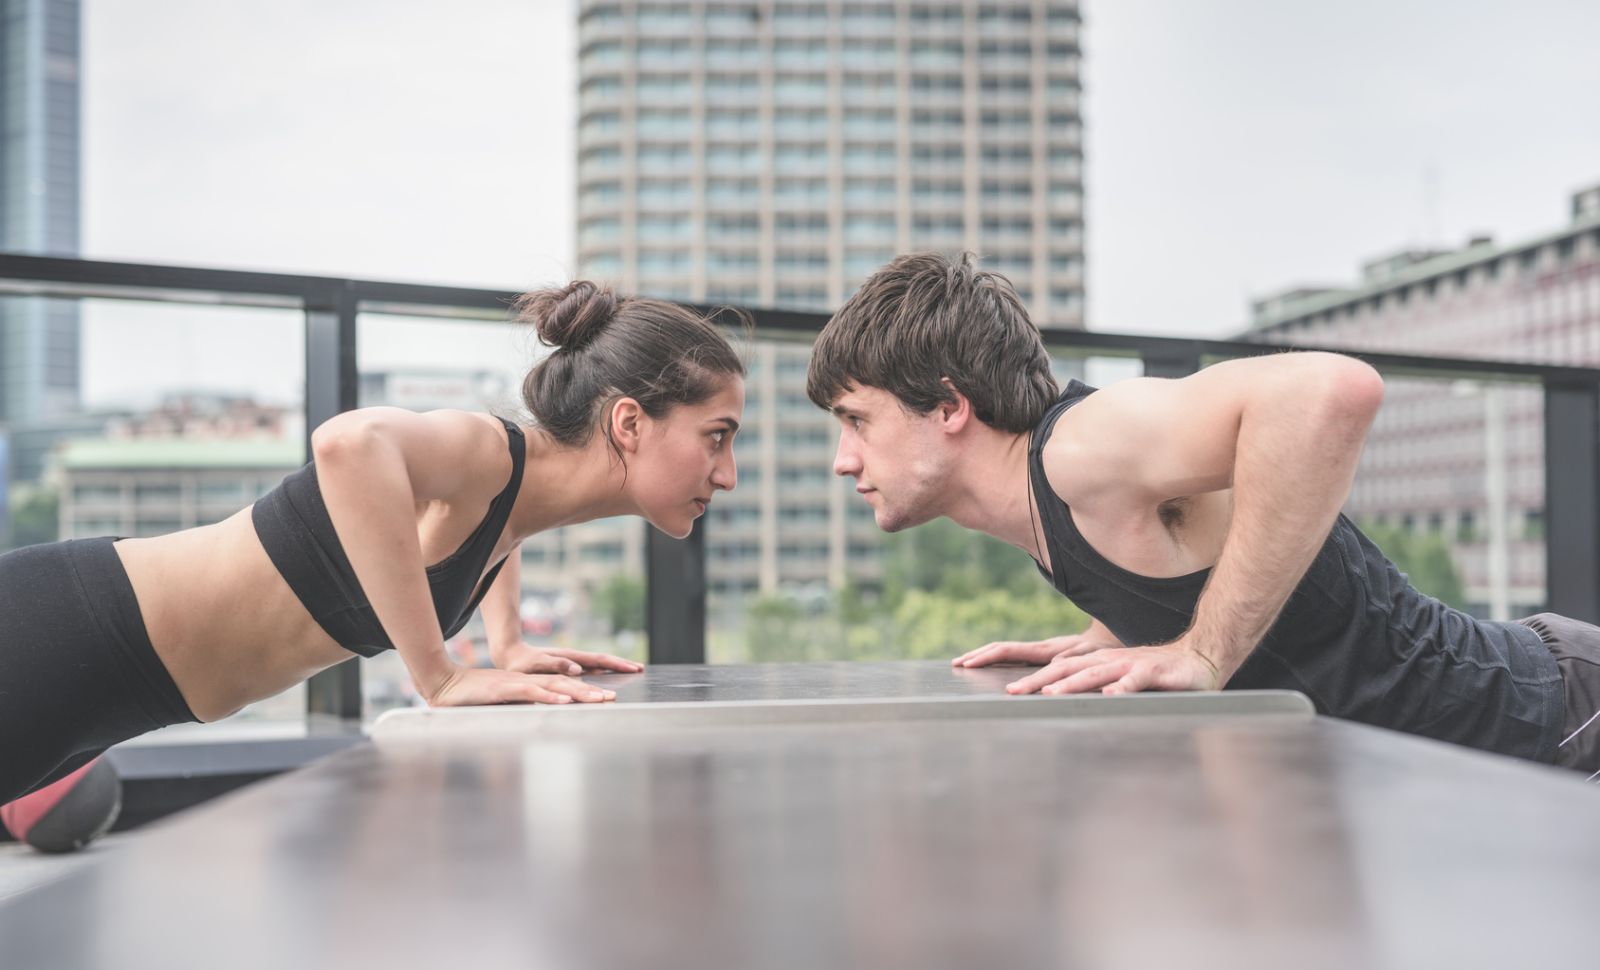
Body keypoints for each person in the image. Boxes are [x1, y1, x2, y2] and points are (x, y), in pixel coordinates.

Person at [806, 252, 1600, 775]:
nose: (845, 459)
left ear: (948, 406)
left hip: (1555, 718)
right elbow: (1196, 553)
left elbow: (1332, 391)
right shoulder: (1051, 501)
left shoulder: (1078, 449)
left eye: (856, 419)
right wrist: (1125, 630)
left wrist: (1203, 652)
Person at [0, 281, 745, 806]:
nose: (729, 474)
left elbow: (506, 525)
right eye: (717, 437)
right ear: (629, 424)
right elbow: (350, 444)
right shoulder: (486, 450)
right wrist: (440, 675)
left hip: (125, 689)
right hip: (70, 633)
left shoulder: (520, 490)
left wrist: (508, 642)